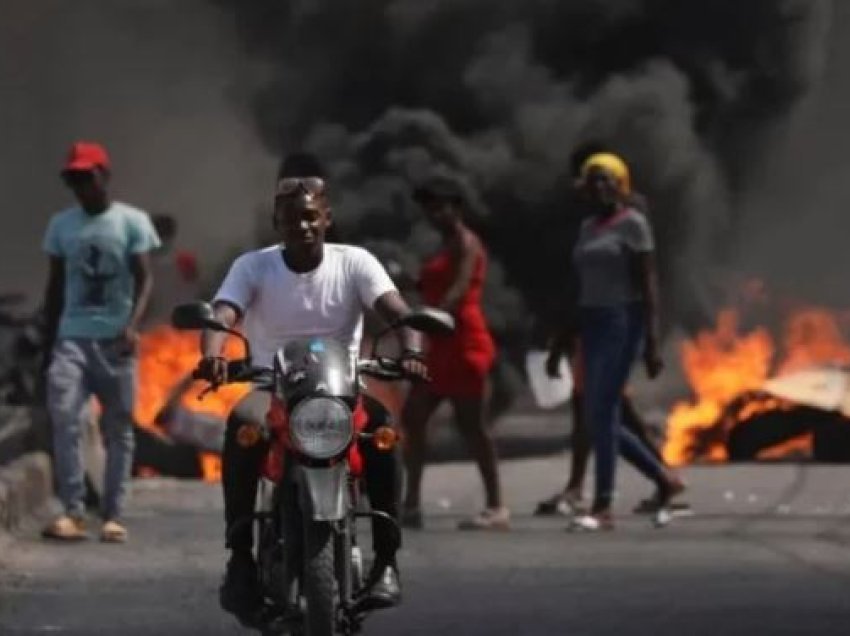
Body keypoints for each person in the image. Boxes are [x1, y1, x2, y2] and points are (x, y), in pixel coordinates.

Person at [199, 153, 427, 624]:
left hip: (341, 388)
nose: (302, 226)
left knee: (384, 437)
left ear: (327, 218)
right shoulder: (253, 267)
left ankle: (387, 562)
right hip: (273, 388)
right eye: (290, 219)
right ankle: (240, 558)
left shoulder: (356, 263)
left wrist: (412, 349)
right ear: (275, 223)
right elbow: (222, 313)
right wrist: (215, 352)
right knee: (242, 429)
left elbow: (398, 311)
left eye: (310, 217)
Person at [537, 147, 689, 518]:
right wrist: (560, 344)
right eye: (593, 180)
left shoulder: (633, 224)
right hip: (589, 323)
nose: (600, 186)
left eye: (607, 179)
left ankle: (603, 503)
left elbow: (648, 284)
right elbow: (580, 288)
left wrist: (652, 342)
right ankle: (662, 479)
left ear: (620, 185)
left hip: (622, 323)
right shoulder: (587, 229)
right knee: (598, 415)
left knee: (601, 413)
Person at [41, 141, 160, 543]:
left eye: (86, 177)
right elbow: (55, 286)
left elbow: (145, 280)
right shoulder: (61, 225)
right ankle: (73, 511)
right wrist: (47, 341)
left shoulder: (132, 222)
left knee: (119, 430)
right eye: (73, 178)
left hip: (115, 341)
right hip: (72, 338)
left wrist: (132, 324)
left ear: (104, 176)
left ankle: (113, 514)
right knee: (66, 417)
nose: (80, 186)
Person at [401, 176, 508, 531]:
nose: (433, 213)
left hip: (463, 342)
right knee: (414, 417)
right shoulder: (444, 244)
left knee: (473, 426)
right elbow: (432, 284)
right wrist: (407, 282)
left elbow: (459, 288)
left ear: (456, 208)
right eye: (429, 207)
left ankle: (496, 506)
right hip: (440, 343)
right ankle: (411, 504)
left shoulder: (466, 242)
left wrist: (433, 314)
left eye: (440, 206)